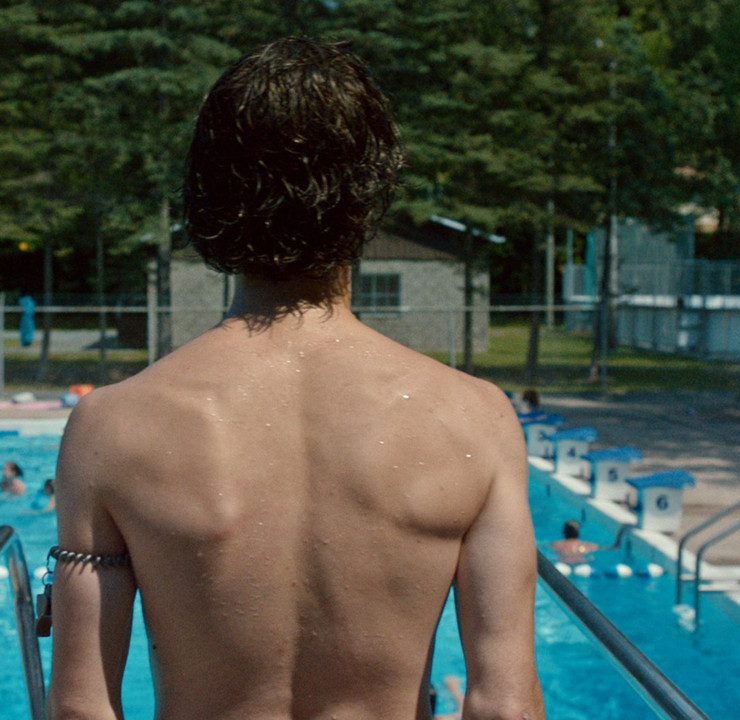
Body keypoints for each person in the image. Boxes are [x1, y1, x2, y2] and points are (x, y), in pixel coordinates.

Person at [47, 38, 544, 720]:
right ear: (370, 195)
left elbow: (82, 709)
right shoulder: (474, 420)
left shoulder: (112, 427)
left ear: (208, 194)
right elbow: (505, 709)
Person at [549, 519, 623, 565]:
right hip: (581, 563)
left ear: (564, 532)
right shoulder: (587, 545)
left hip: (562, 563)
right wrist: (620, 533)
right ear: (578, 532)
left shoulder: (556, 544)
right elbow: (614, 548)